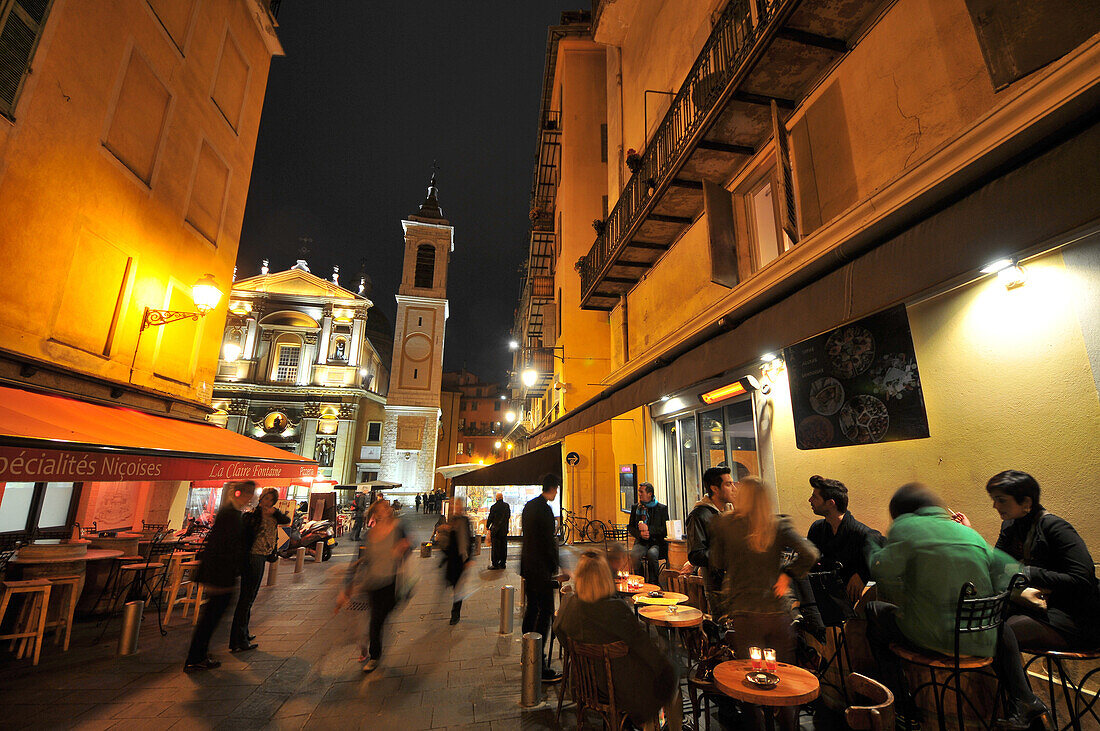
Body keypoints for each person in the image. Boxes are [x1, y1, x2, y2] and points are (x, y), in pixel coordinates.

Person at [864, 483, 1020, 730]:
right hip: (982, 640)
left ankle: (901, 706)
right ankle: (1020, 703)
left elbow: (883, 570)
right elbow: (1009, 571)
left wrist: (873, 546)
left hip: (936, 638)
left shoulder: (907, 526)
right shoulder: (968, 532)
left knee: (874, 612)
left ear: (901, 512)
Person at [965, 470, 1097, 729]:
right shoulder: (1010, 526)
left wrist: (1028, 573)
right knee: (985, 625)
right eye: (994, 499)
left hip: (1075, 618)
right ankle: (1026, 706)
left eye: (1001, 500)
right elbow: (997, 566)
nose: (994, 505)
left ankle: (1026, 706)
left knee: (995, 633)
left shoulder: (1055, 527)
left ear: (1026, 502)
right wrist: (970, 536)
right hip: (1039, 610)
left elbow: (1083, 578)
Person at [710, 475, 818, 731]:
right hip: (778, 613)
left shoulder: (725, 525)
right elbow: (810, 553)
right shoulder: (778, 525)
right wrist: (787, 573)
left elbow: (716, 562)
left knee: (749, 681)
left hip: (745, 613)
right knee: (785, 680)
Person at [554, 551, 676, 726]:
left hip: (586, 684)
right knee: (669, 677)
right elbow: (647, 650)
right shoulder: (616, 610)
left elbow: (558, 629)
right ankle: (659, 724)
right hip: (618, 688)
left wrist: (579, 656)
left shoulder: (570, 604)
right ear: (605, 577)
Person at [185, 480, 257, 672]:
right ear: (242, 494)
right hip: (219, 574)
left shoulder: (231, 513)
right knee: (211, 618)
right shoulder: (230, 515)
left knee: (212, 617)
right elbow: (222, 547)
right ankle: (195, 658)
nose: (251, 498)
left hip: (220, 574)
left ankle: (198, 654)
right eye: (250, 494)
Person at [336, 498, 410, 673]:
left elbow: (409, 545)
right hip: (373, 582)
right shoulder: (369, 535)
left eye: (387, 507)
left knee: (382, 616)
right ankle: (374, 655)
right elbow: (358, 560)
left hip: (392, 581)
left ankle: (374, 638)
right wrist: (348, 586)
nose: (386, 509)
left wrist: (402, 549)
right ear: (375, 514)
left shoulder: (399, 528)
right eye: (382, 508)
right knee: (376, 620)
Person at [229, 487, 290, 653]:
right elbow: (245, 536)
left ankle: (243, 633)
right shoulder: (253, 515)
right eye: (265, 498)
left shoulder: (274, 516)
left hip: (263, 555)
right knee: (247, 597)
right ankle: (238, 640)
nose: (266, 502)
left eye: (270, 500)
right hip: (253, 556)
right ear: (260, 499)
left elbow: (286, 519)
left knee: (251, 597)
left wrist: (274, 512)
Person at [806, 474, 885, 602]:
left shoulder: (863, 534)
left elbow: (884, 562)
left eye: (815, 497)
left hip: (852, 602)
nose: (810, 500)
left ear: (831, 503)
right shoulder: (817, 529)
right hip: (823, 598)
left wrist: (862, 574)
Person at [521, 473, 568, 682]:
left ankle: (527, 653)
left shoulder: (530, 506)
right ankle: (538, 661)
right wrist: (557, 567)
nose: (557, 492)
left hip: (528, 566)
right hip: (541, 568)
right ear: (553, 488)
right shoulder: (546, 511)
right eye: (556, 489)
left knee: (532, 609)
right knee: (546, 610)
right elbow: (549, 543)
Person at [683, 467, 737, 595]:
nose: (734, 489)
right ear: (715, 489)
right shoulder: (699, 515)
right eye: (728, 484)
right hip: (717, 586)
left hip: (736, 582)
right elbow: (695, 555)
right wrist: (725, 555)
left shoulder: (730, 511)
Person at [441, 498, 476, 624]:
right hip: (450, 559)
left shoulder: (465, 521)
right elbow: (444, 542)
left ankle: (455, 614)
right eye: (455, 505)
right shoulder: (450, 521)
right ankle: (453, 609)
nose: (456, 507)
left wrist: (470, 558)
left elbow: (469, 539)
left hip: (460, 558)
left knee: (458, 587)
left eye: (458, 505)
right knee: (452, 583)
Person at [627, 482, 668, 583]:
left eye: (642, 492)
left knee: (652, 554)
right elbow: (631, 527)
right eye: (639, 492)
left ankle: (653, 582)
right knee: (634, 555)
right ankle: (640, 580)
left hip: (656, 542)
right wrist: (639, 534)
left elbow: (665, 529)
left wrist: (649, 529)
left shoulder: (661, 509)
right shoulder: (635, 508)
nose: (639, 494)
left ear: (650, 494)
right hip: (641, 541)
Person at [486, 492, 511, 569]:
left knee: (495, 547)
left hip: (496, 531)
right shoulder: (506, 506)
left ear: (496, 498)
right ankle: (503, 563)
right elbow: (508, 516)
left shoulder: (494, 507)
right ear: (502, 497)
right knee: (503, 547)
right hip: (504, 530)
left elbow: (491, 517)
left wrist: (487, 526)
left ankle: (495, 564)